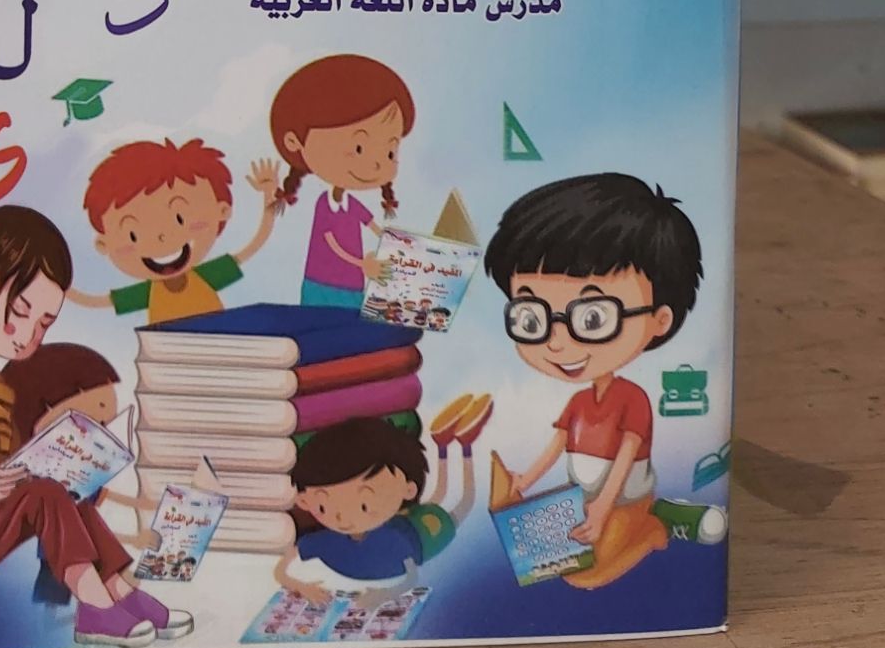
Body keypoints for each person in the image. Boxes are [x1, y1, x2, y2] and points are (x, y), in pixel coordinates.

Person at [0, 206, 190, 648]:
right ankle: (95, 609)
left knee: (61, 491)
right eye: (18, 312)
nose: (26, 336)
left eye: (43, 324)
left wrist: (76, 470)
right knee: (46, 494)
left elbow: (16, 469)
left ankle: (120, 592)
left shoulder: (1, 388)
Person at [484, 172, 704, 589]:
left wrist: (604, 506)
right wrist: (523, 482)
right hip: (580, 499)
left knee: (587, 577)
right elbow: (555, 447)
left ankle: (653, 526)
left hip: (624, 500)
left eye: (592, 318)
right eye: (531, 317)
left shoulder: (632, 398)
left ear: (659, 320)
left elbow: (625, 456)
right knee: (542, 560)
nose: (556, 342)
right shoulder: (579, 402)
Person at [274, 405, 489, 604]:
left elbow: (411, 579)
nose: (343, 518)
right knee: (439, 496)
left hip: (428, 536)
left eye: (364, 506)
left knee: (462, 502)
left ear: (409, 489)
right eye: (323, 507)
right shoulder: (327, 543)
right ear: (304, 501)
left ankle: (462, 445)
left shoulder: (396, 543)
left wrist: (382, 596)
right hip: (403, 523)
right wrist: (300, 586)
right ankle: (446, 443)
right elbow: (281, 570)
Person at [246, 54, 414, 308]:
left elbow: (373, 225)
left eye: (390, 152)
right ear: (294, 142)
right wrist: (363, 264)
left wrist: (405, 251)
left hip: (353, 286)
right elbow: (332, 244)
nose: (378, 164)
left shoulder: (351, 203)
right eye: (358, 148)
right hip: (322, 284)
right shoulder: (324, 204)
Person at [69, 136, 276, 325]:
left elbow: (254, 245)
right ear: (103, 244)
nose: (161, 237)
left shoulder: (207, 276)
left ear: (222, 210)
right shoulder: (147, 292)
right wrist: (56, 282)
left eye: (180, 218)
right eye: (133, 235)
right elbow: (95, 301)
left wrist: (269, 194)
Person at [2, 343, 123, 611]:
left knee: (87, 570)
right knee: (56, 580)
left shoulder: (83, 457)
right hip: (58, 538)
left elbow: (93, 496)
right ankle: (52, 615)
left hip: (80, 534)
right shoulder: (41, 460)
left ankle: (87, 608)